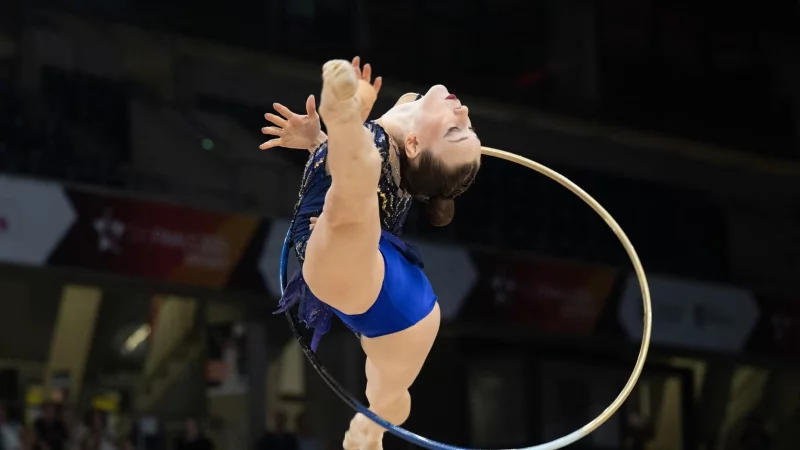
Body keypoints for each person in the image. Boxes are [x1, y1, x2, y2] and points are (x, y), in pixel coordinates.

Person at [260, 57, 480, 450]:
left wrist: (340, 133)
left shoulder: (384, 148)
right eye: (467, 127)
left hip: (382, 285)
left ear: (414, 143)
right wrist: (317, 142)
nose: (463, 111)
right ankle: (371, 429)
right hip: (396, 288)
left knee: (354, 194)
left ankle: (343, 123)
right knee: (392, 405)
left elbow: (362, 180)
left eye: (454, 128)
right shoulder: (403, 126)